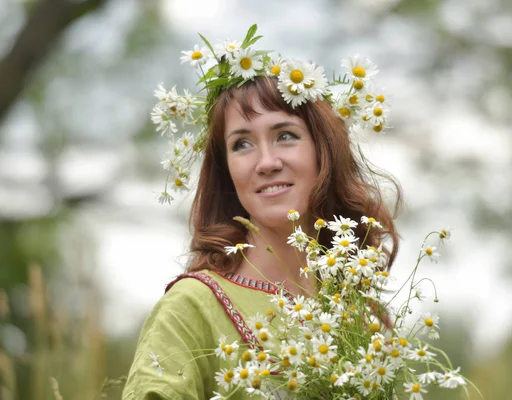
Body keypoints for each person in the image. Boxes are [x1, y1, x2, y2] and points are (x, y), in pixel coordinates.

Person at [123, 34, 402, 399]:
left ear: (324, 153)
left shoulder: (362, 317)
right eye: (242, 144)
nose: (267, 162)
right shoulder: (192, 306)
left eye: (285, 135)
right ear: (226, 171)